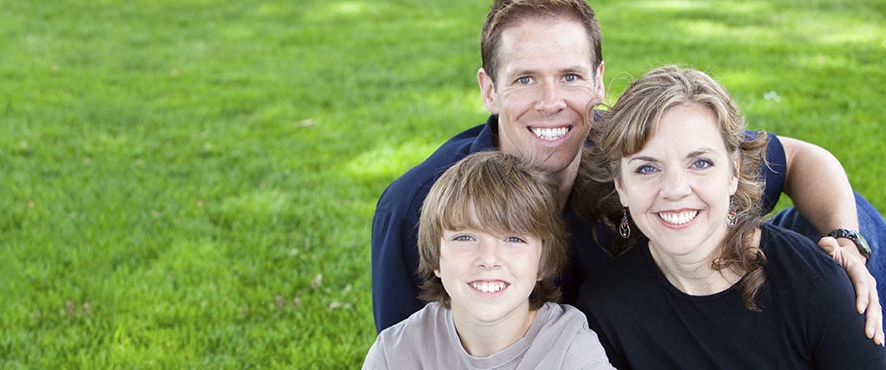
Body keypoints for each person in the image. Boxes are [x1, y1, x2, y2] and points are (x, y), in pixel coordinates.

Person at [370, 0, 886, 344]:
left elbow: (800, 158)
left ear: (597, 82)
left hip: (688, 307)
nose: (552, 103)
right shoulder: (419, 205)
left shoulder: (634, 146)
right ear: (489, 88)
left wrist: (846, 239)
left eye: (570, 76)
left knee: (849, 225)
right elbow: (411, 344)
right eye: (525, 79)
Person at [573, 65, 886, 368]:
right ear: (621, 186)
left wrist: (849, 243)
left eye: (700, 163)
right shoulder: (604, 312)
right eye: (647, 168)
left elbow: (803, 158)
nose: (675, 189)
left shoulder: (814, 285)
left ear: (734, 172)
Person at [364, 151, 615, 370]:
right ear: (436, 257)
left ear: (542, 261)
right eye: (465, 237)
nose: (489, 259)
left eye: (514, 239)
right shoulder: (396, 353)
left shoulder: (570, 350)